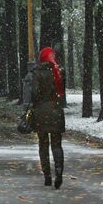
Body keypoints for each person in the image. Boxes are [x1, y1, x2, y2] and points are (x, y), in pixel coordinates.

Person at [31, 46, 66, 189]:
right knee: (57, 144)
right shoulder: (58, 72)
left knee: (43, 145)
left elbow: (34, 93)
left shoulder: (37, 73)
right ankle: (59, 171)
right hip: (56, 111)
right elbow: (62, 92)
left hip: (41, 112)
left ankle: (47, 176)